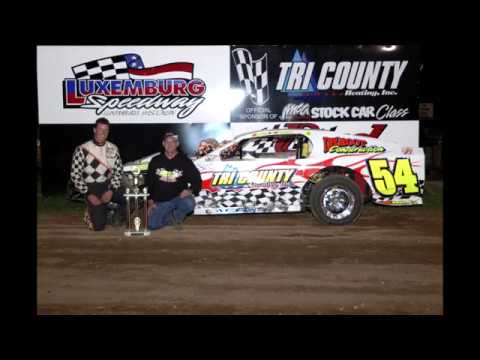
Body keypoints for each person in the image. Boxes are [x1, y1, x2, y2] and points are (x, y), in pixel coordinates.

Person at [70, 118, 126, 231]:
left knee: (131, 198)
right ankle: (90, 211)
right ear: (94, 130)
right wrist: (89, 194)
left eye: (106, 130)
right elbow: (75, 175)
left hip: (107, 185)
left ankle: (114, 214)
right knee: (98, 227)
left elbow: (118, 172)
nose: (103, 132)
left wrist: (111, 190)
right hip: (91, 187)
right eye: (100, 129)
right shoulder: (82, 149)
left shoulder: (113, 148)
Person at [145, 132, 202, 230]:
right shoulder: (155, 161)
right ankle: (169, 217)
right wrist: (150, 202)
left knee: (189, 203)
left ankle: (177, 217)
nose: (170, 144)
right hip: (161, 200)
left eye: (173, 142)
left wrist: (190, 190)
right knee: (152, 225)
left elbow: (197, 180)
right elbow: (149, 182)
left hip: (178, 198)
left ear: (177, 144)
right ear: (163, 144)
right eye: (167, 142)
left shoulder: (185, 161)